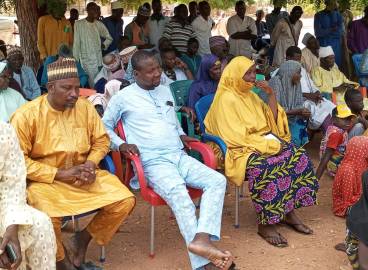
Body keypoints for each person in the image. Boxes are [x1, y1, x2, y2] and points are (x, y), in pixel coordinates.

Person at [102, 50, 234, 270]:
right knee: (180, 194)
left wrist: (181, 135)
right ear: (136, 73)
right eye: (151, 71)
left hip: (178, 155)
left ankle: (201, 239)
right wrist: (121, 144)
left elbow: (171, 120)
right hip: (153, 162)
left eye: (158, 68)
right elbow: (103, 126)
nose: (157, 74)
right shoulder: (122, 98)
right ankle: (202, 264)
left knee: (217, 180)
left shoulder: (164, 90)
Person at [10, 58, 135, 270]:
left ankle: (80, 241)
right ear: (50, 87)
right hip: (46, 182)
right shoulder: (26, 115)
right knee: (47, 217)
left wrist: (90, 163)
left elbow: (101, 140)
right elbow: (17, 161)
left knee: (124, 200)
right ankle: (62, 262)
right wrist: (60, 174)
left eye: (77, 87)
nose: (75, 94)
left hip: (83, 176)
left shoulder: (85, 108)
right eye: (67, 88)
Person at [204, 56, 319, 247]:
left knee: (297, 155)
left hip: (260, 141)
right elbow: (234, 137)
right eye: (247, 73)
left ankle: (288, 211)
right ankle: (265, 223)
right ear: (234, 75)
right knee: (264, 166)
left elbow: (271, 122)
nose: (252, 77)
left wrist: (271, 94)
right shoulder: (226, 99)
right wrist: (270, 146)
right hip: (239, 148)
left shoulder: (250, 95)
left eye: (252, 72)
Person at [0, 122, 57, 270]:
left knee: (41, 224)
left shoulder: (4, 131)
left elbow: (12, 186)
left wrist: (11, 226)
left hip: (4, 206)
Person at [271, 46, 335, 132]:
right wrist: (307, 96)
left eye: (299, 59)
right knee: (320, 114)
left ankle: (334, 134)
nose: (298, 62)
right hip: (300, 102)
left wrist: (316, 93)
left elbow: (312, 85)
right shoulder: (281, 72)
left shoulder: (302, 70)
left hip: (311, 99)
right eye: (295, 59)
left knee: (330, 107)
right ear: (288, 58)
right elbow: (285, 95)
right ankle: (330, 136)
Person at [269, 60, 310, 147]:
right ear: (290, 72)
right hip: (274, 121)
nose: (300, 76)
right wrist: (297, 111)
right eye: (298, 73)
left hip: (290, 119)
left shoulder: (296, 84)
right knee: (290, 143)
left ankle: (295, 151)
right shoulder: (275, 82)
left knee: (301, 124)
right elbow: (274, 110)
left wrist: (304, 113)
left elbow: (299, 105)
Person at [332, 136, 368, 217]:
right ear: (363, 150)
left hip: (358, 198)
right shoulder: (348, 170)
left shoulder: (362, 163)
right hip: (346, 205)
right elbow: (347, 199)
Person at [73, 2, 113, 88]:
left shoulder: (98, 24)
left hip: (98, 60)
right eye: (92, 9)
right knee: (92, 85)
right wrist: (75, 62)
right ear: (87, 10)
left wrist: (104, 45)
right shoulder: (78, 24)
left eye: (96, 9)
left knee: (100, 82)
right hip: (86, 61)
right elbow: (76, 44)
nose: (95, 11)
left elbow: (109, 38)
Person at [316, 105, 358, 179]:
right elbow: (327, 155)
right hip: (334, 166)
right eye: (344, 119)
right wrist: (316, 179)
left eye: (349, 119)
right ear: (333, 119)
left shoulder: (335, 127)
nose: (348, 122)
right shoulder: (337, 134)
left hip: (333, 161)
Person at [314, 0, 343, 67]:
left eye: (335, 1)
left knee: (336, 68)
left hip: (336, 47)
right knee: (323, 68)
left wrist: (326, 31)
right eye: (332, 1)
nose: (334, 3)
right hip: (323, 45)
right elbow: (318, 33)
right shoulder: (318, 15)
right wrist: (332, 29)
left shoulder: (338, 16)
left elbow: (339, 32)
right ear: (326, 3)